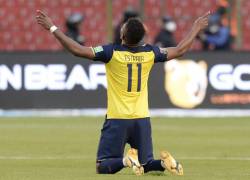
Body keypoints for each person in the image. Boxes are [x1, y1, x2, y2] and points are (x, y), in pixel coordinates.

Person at [36, 10, 209, 176]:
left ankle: (127, 161)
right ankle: (165, 163)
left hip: (117, 118)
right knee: (146, 164)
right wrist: (196, 27)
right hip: (141, 119)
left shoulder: (111, 53)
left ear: (122, 36)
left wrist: (53, 28)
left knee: (102, 165)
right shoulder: (150, 52)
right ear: (143, 38)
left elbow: (77, 50)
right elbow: (179, 50)